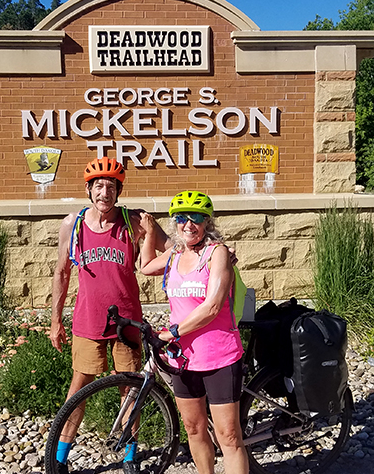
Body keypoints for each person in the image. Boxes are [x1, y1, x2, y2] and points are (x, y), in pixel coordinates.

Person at [49, 156, 170, 474]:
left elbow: (174, 248)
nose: (105, 192)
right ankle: (60, 456)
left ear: (119, 191)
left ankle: (130, 455)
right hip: (88, 320)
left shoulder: (134, 222)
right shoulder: (72, 224)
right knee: (78, 389)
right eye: (99, 186)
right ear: (89, 190)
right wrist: (55, 321)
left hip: (127, 321)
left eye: (112, 186)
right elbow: (61, 274)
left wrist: (213, 250)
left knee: (130, 390)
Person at [140, 190, 248, 474]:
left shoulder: (218, 253)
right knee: (194, 428)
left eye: (196, 217)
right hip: (182, 359)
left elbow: (212, 307)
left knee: (228, 436)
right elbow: (145, 266)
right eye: (181, 218)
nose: (188, 224)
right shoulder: (175, 254)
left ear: (207, 222)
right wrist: (150, 231)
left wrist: (171, 332)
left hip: (219, 357)